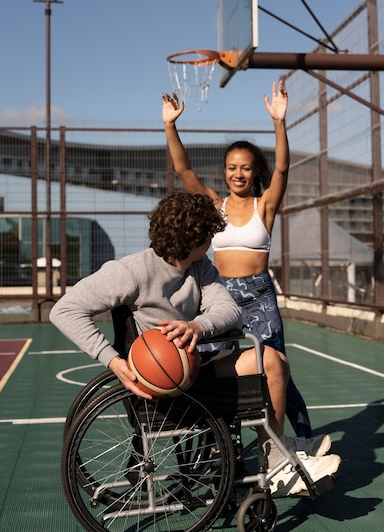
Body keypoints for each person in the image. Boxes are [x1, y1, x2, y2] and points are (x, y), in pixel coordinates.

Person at [50, 192, 340, 497]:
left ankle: (276, 452)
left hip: (193, 370)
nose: (212, 243)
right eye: (209, 237)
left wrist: (197, 326)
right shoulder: (130, 272)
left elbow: (229, 310)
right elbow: (65, 310)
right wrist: (113, 360)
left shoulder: (199, 268)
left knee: (272, 360)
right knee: (262, 368)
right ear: (194, 238)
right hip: (164, 386)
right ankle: (281, 454)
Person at [162, 80, 315, 440]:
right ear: (226, 170)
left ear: (253, 171)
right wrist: (170, 125)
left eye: (245, 167)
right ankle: (216, 443)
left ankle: (301, 439)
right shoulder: (217, 206)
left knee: (277, 366)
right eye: (232, 167)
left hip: (259, 294)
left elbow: (282, 171)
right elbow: (185, 173)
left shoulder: (266, 205)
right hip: (219, 295)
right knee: (214, 368)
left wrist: (279, 121)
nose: (238, 174)